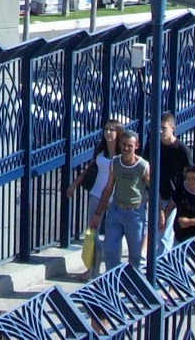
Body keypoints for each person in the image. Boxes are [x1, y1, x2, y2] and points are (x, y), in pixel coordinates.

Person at [66, 118, 123, 280]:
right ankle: (92, 268)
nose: (108, 133)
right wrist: (75, 183)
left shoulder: (122, 151)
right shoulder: (100, 147)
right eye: (106, 129)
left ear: (118, 133)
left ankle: (113, 269)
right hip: (96, 194)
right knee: (92, 233)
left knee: (114, 235)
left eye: (112, 130)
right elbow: (90, 167)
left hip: (114, 198)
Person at [91, 130, 150, 270]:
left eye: (130, 145)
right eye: (123, 144)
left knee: (135, 255)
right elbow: (108, 188)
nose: (126, 148)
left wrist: (158, 213)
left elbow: (153, 190)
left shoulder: (143, 166)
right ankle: (113, 283)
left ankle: (134, 287)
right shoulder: (115, 162)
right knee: (110, 250)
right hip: (116, 210)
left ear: (136, 146)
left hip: (135, 213)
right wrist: (98, 214)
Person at [156, 113, 191, 252]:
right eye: (158, 128)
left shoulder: (181, 149)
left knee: (165, 232)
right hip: (155, 193)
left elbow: (189, 174)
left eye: (164, 128)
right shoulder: (154, 144)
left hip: (172, 196)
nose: (160, 131)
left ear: (173, 128)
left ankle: (161, 267)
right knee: (155, 230)